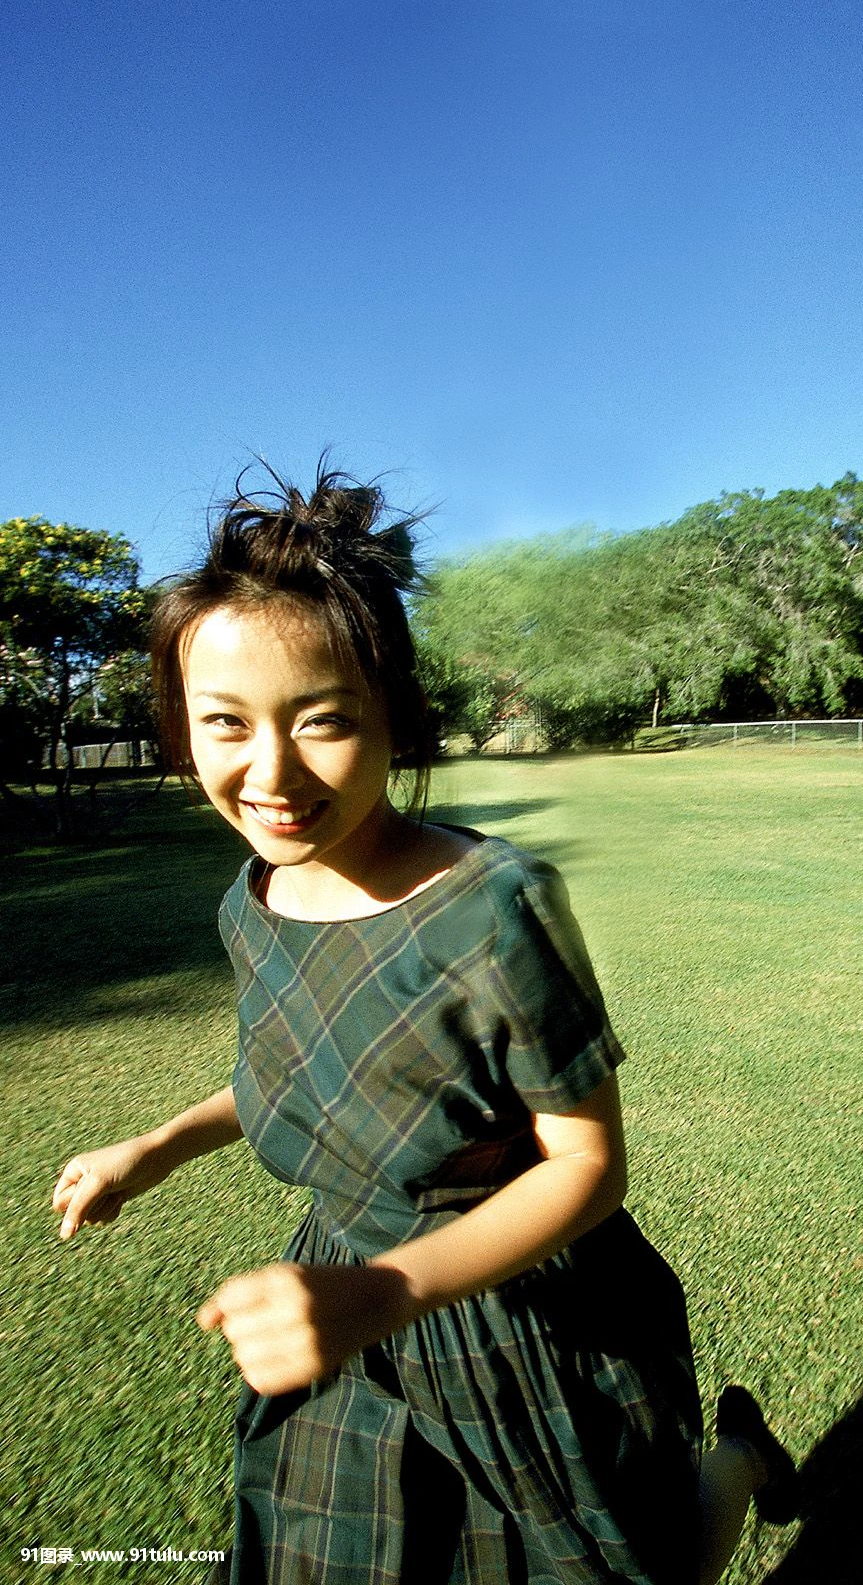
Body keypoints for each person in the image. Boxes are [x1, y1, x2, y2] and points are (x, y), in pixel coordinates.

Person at [52, 461, 798, 1585]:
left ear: (395, 717)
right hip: (342, 1312)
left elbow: (589, 1167)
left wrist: (390, 1290)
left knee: (623, 1569)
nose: (271, 771)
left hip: (525, 1322)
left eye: (323, 721)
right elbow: (304, 1077)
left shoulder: (495, 905)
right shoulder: (251, 905)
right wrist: (156, 1145)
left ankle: (736, 1457)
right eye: (224, 723)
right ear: (182, 727)